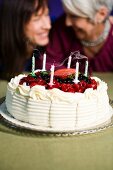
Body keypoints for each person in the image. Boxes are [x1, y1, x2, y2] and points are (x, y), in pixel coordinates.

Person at [36, 0, 113, 73]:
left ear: (101, 14)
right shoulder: (61, 27)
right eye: (67, 14)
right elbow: (46, 64)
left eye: (74, 16)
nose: (67, 23)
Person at [0, 0, 51, 80]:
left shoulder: (48, 50)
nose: (48, 26)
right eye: (36, 19)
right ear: (15, 22)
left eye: (47, 14)